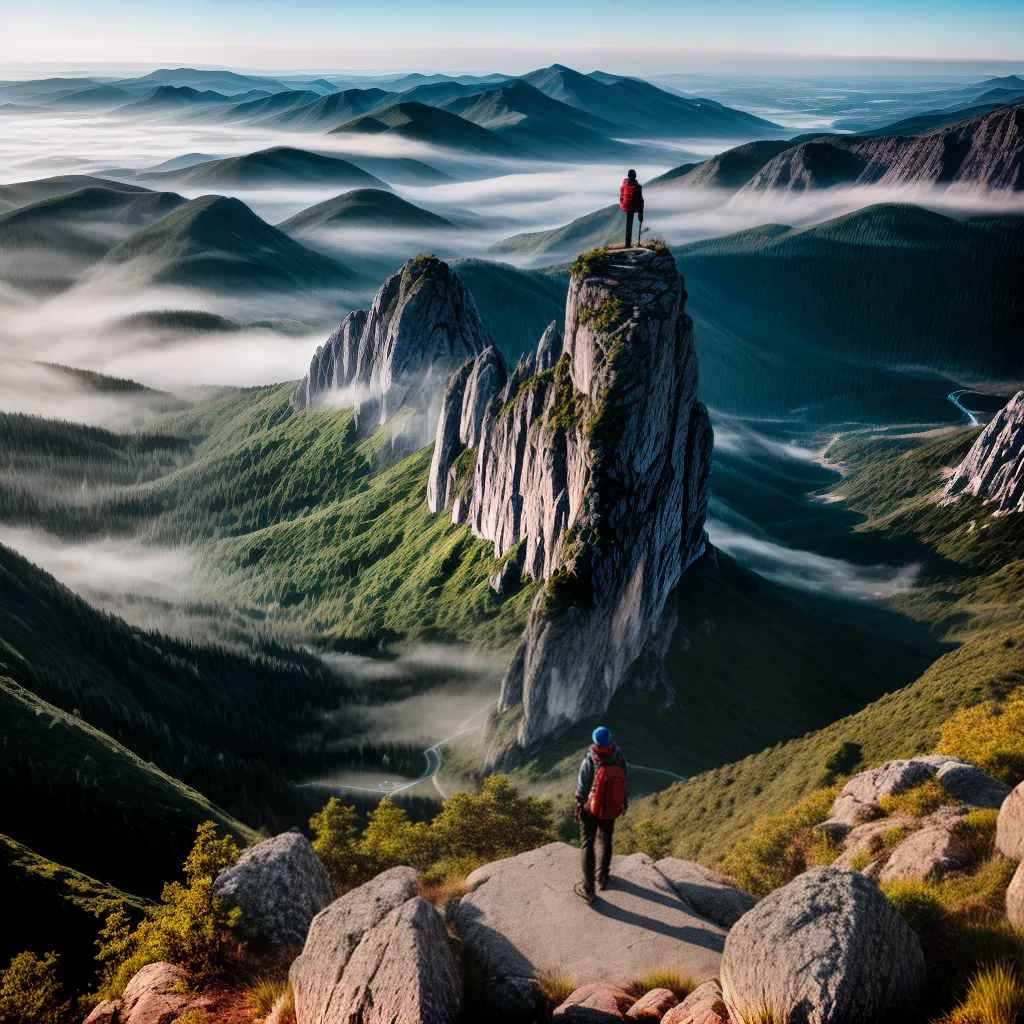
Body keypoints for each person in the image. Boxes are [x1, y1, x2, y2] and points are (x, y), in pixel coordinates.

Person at [574, 726, 629, 903]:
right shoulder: (618, 755)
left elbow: (582, 785)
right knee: (606, 839)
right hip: (611, 807)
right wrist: (622, 800)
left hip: (591, 808)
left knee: (588, 843)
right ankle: (603, 877)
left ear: (594, 741)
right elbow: (625, 778)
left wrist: (579, 803)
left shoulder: (590, 758)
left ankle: (588, 888)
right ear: (610, 739)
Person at [619, 169, 644, 247]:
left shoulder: (625, 184)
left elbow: (621, 196)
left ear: (628, 176)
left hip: (626, 206)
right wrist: (641, 213)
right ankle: (629, 245)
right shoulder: (638, 187)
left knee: (628, 225)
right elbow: (640, 200)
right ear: (635, 176)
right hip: (633, 207)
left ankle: (627, 244)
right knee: (630, 225)